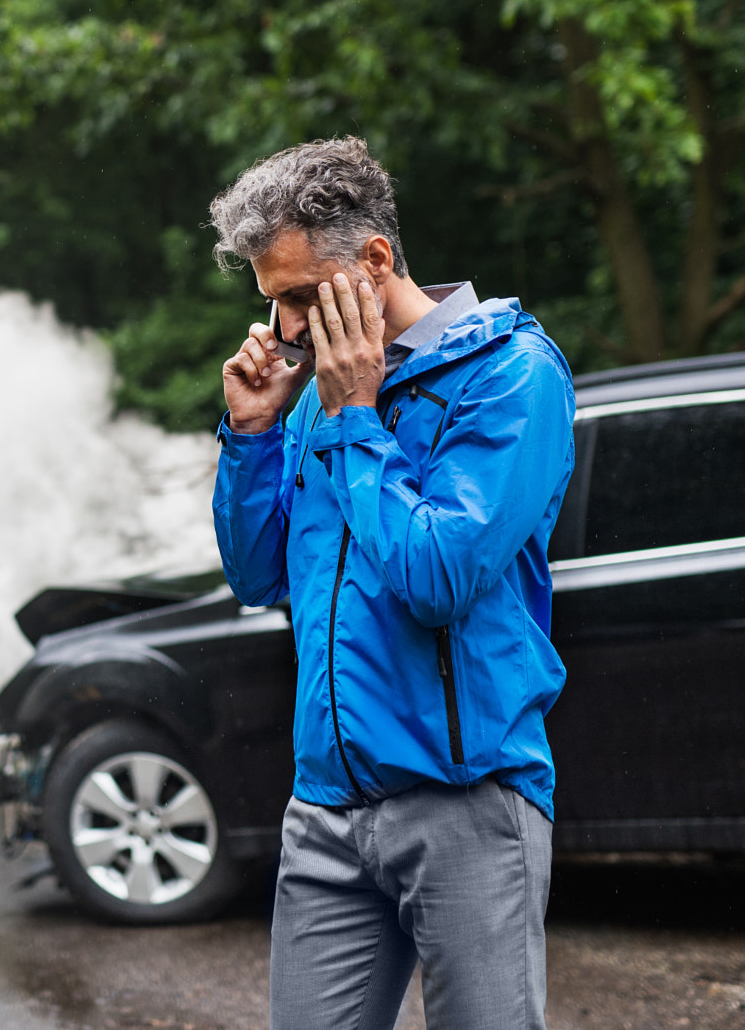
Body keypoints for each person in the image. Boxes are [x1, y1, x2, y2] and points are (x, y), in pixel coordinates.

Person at [210, 137, 575, 1030]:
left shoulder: (511, 376)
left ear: (375, 259)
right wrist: (253, 435)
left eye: (302, 295)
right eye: (274, 303)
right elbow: (260, 575)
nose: (287, 329)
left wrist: (357, 415)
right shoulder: (322, 400)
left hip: (466, 800)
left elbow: (438, 575)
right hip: (326, 806)